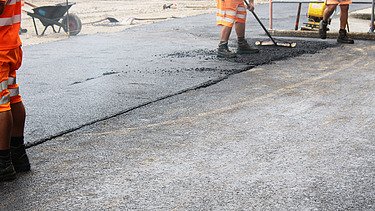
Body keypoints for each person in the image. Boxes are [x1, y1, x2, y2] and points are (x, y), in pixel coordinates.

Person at [0, 0, 30, 182]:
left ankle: (3, 162)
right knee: (12, 97)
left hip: (1, 48)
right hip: (10, 44)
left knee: (1, 104)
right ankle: (18, 155)